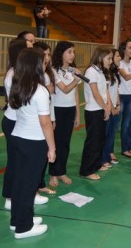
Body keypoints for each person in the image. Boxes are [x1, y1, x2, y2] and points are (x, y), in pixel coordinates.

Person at [9, 48, 56, 239]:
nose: (45, 65)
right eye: (43, 62)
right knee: (29, 184)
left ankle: (18, 219)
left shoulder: (19, 85)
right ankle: (23, 227)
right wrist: (52, 147)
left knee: (19, 182)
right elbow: (45, 122)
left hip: (18, 138)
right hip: (34, 142)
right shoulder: (40, 90)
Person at [2, 39, 49, 212]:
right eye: (29, 49)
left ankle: (24, 197)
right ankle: (10, 197)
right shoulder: (15, 75)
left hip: (19, 121)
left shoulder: (20, 73)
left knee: (21, 166)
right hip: (15, 122)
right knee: (16, 164)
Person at [49, 41, 80, 187]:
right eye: (69, 52)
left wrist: (78, 114)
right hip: (58, 110)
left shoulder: (73, 71)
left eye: (73, 52)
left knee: (65, 143)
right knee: (55, 143)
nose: (72, 55)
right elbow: (65, 89)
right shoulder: (54, 70)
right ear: (61, 53)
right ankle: (53, 174)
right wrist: (76, 80)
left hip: (70, 109)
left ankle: (61, 172)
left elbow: (75, 94)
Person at [79, 47, 113, 180]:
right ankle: (86, 170)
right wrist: (105, 107)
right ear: (100, 58)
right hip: (93, 111)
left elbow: (105, 91)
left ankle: (95, 165)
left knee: (99, 140)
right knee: (92, 141)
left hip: (101, 109)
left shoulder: (101, 71)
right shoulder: (91, 71)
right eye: (108, 58)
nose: (110, 61)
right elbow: (95, 93)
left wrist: (108, 106)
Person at [33, 41, 57, 194]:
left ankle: (40, 183)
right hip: (37, 121)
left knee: (41, 158)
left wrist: (52, 118)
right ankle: (34, 188)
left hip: (47, 114)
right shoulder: (33, 74)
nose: (47, 58)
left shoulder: (48, 73)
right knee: (36, 158)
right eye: (45, 55)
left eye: (49, 54)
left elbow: (50, 101)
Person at [102, 48, 122, 167]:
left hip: (115, 106)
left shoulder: (115, 73)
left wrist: (118, 105)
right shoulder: (105, 73)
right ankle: (104, 156)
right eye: (117, 56)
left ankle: (109, 152)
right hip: (108, 108)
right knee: (105, 134)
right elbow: (107, 91)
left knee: (112, 133)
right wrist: (112, 108)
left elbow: (116, 91)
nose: (120, 58)